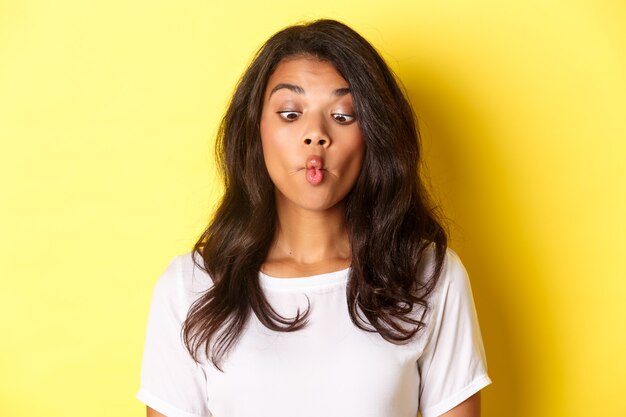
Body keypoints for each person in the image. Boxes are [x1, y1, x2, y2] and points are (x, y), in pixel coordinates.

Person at [136, 19, 491, 417]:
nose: (315, 135)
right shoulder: (190, 287)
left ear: (373, 134)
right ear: (257, 130)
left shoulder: (428, 276)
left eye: (342, 116)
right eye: (290, 113)